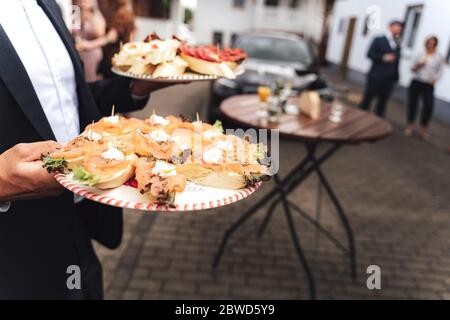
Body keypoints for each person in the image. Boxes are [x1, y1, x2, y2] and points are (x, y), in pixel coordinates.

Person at [0, 0, 177, 299]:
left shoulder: (50, 6)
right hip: (12, 247)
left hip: (78, 225)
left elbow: (71, 99)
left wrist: (134, 87)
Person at [77, 0, 135, 79]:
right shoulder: (116, 13)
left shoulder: (122, 14)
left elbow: (111, 38)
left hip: (116, 60)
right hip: (113, 58)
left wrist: (88, 45)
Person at [359, 20, 403, 117]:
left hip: (389, 78)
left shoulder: (398, 42)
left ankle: (378, 122)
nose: (399, 29)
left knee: (383, 102)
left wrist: (396, 76)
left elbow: (397, 61)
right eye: (397, 27)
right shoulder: (379, 39)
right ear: (390, 27)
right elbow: (369, 54)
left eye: (400, 28)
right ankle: (360, 118)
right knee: (368, 99)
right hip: (376, 75)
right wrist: (383, 57)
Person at [404, 36, 444, 139]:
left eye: (433, 43)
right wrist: (419, 65)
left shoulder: (438, 57)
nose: (430, 45)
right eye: (429, 42)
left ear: (435, 45)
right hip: (417, 82)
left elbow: (440, 70)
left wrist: (435, 79)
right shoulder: (419, 54)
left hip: (428, 84)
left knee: (428, 106)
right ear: (426, 43)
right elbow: (411, 68)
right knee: (413, 104)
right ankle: (410, 125)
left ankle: (423, 129)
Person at [74, 0, 106, 81]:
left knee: (90, 78)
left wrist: (88, 17)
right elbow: (73, 32)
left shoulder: (96, 16)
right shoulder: (77, 14)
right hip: (80, 52)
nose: (83, 2)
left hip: (92, 52)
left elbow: (100, 33)